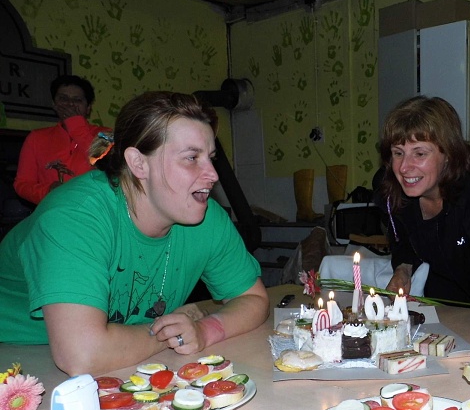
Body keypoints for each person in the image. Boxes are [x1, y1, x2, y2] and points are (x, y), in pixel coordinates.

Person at [0, 91, 270, 375]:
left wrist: (204, 330)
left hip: (117, 354)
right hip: (17, 358)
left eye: (210, 158)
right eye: (192, 158)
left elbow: (253, 299)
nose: (213, 175)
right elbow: (82, 354)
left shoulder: (204, 217)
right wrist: (171, 332)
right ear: (139, 163)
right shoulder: (75, 216)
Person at [375, 96, 470, 311]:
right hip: (437, 307)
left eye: (419, 153)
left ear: (449, 154)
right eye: (398, 153)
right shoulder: (391, 191)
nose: (404, 167)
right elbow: (403, 242)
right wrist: (403, 269)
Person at [14, 75, 110, 204]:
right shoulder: (36, 138)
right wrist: (48, 191)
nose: (70, 104)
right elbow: (22, 184)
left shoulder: (106, 134)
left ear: (88, 108)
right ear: (54, 104)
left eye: (77, 100)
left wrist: (75, 125)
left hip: (95, 210)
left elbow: (107, 165)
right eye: (63, 99)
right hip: (53, 210)